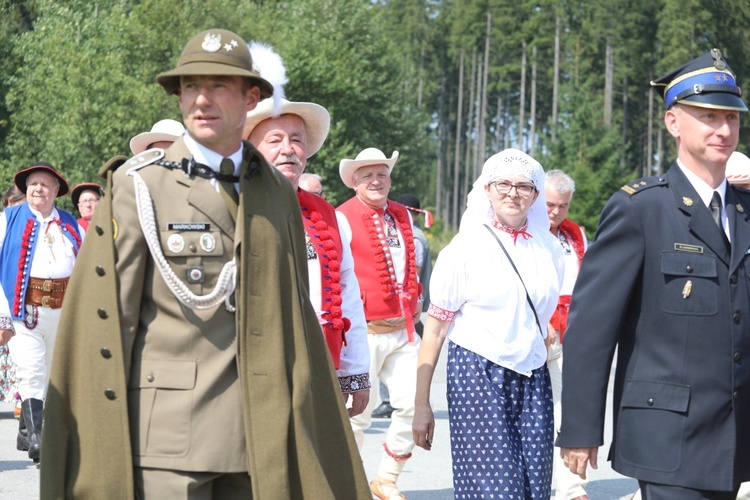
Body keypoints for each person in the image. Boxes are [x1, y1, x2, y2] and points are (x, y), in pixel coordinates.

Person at [40, 29, 369, 499]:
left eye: (218, 86)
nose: (201, 99)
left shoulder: (275, 192)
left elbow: (294, 317)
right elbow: (106, 328)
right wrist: (97, 452)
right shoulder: (140, 188)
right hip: (168, 443)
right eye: (190, 87)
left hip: (261, 436)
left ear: (251, 97)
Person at [557, 49, 750, 499]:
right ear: (673, 122)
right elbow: (592, 327)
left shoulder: (746, 211)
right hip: (669, 435)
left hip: (736, 437)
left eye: (732, 119)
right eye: (708, 116)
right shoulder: (640, 208)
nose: (724, 130)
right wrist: (580, 428)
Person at [413, 148, 563, 499]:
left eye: (524, 186)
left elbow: (542, 317)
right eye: (503, 184)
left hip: (533, 374)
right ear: (487, 189)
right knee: (497, 489)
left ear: (536, 195)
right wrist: (422, 406)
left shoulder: (550, 249)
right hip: (477, 373)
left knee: (534, 484)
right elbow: (434, 330)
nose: (513, 193)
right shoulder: (464, 249)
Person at [244, 97, 371, 416]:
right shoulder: (230, 206)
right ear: (252, 149)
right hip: (250, 374)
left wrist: (355, 373)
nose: (288, 148)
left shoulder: (331, 218)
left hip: (320, 368)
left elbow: (348, 294)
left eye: (296, 140)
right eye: (275, 140)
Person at [337, 147, 422, 500]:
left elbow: (410, 264)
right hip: (363, 332)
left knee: (415, 404)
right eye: (368, 175)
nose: (376, 180)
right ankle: (350, 484)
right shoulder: (341, 216)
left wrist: (416, 298)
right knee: (358, 414)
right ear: (354, 181)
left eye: (382, 174)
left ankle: (386, 478)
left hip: (403, 328)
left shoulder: (402, 214)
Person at [0, 163, 83, 463]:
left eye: (45, 185)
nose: (38, 189)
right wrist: (3, 316)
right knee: (31, 369)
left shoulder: (69, 223)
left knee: (51, 375)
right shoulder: (8, 219)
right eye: (33, 184)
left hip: (62, 310)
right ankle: (38, 440)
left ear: (56, 191)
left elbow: (84, 267)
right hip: (25, 309)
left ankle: (26, 430)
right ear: (25, 189)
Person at [544, 169, 589, 500]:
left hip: (570, 331)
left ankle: (572, 489)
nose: (555, 212)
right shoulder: (525, 230)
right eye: (549, 204)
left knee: (568, 409)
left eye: (562, 205)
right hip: (535, 330)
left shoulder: (575, 234)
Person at [0, 184, 25, 418]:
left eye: (19, 203)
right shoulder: (2, 224)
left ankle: (22, 399)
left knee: (20, 355)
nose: (15, 208)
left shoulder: (32, 227)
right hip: (2, 295)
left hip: (20, 300)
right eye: (11, 203)